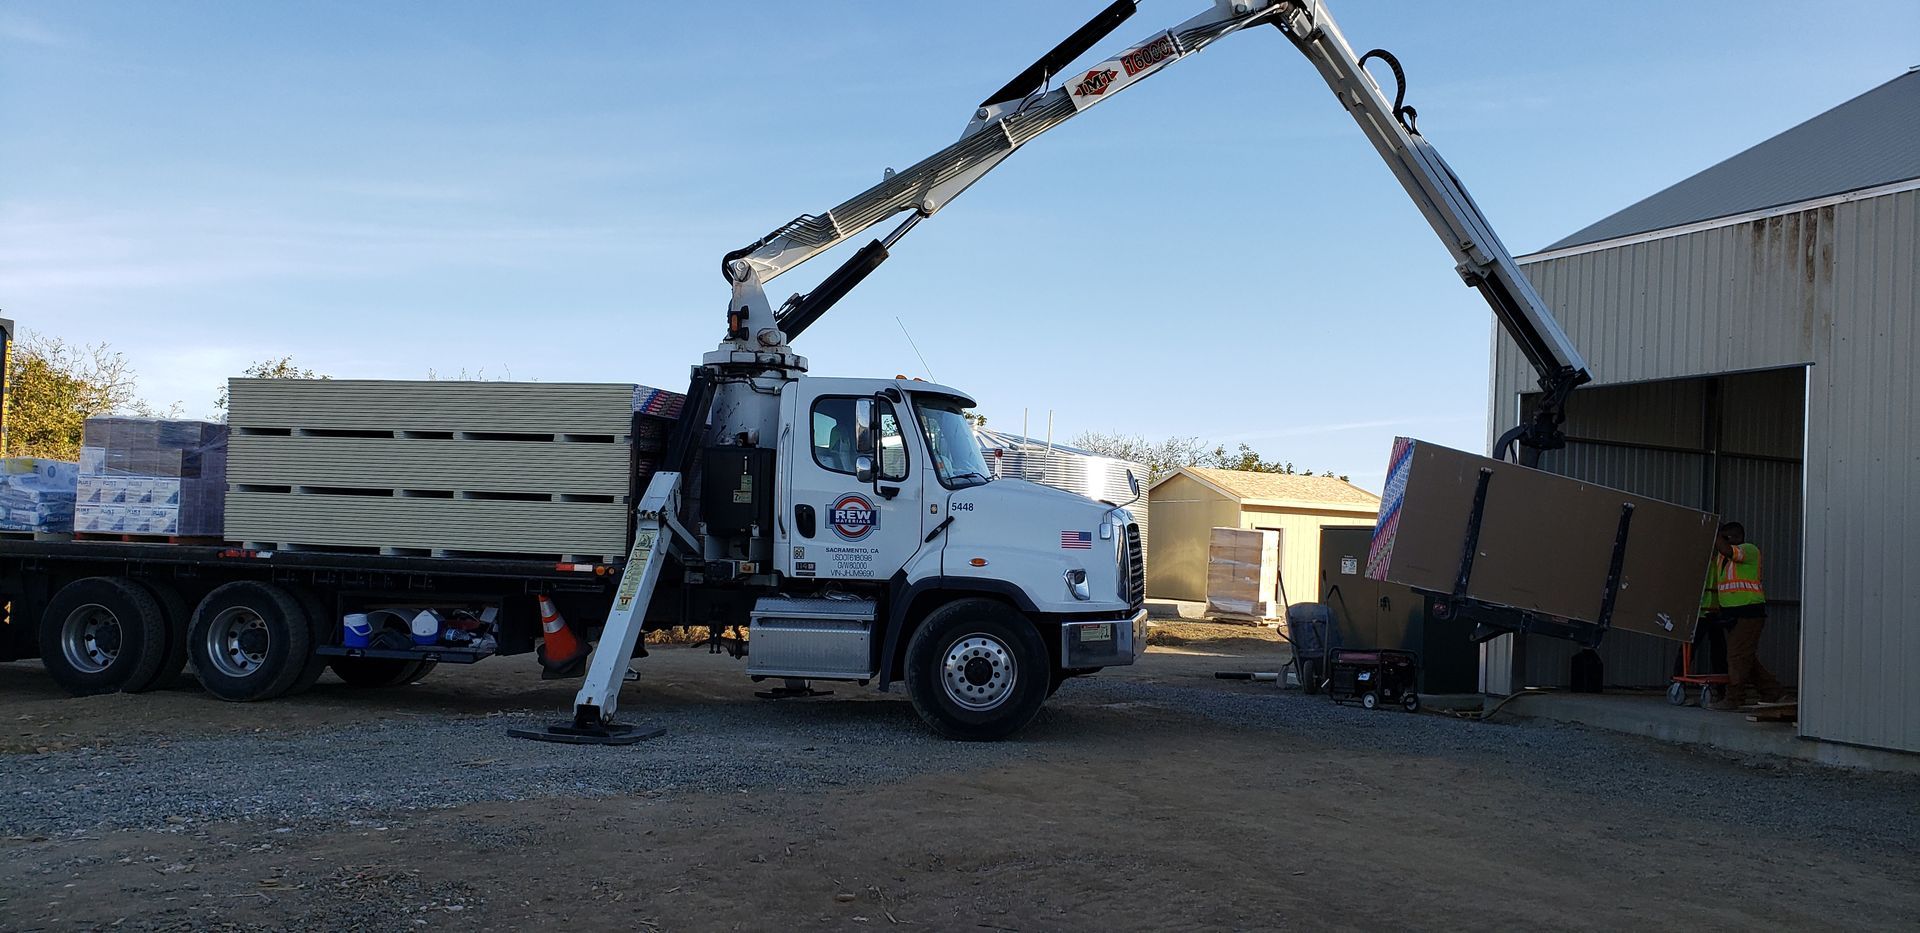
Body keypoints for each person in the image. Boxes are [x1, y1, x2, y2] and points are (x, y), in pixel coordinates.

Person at [1705, 521, 1785, 711]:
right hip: (1732, 614)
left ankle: (1734, 697)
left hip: (1749, 612)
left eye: (1724, 538)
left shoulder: (1749, 550)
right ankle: (1772, 691)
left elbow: (1728, 551)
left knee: (1736, 656)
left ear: (1734, 538)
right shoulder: (1721, 559)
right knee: (1745, 656)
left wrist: (1715, 533)